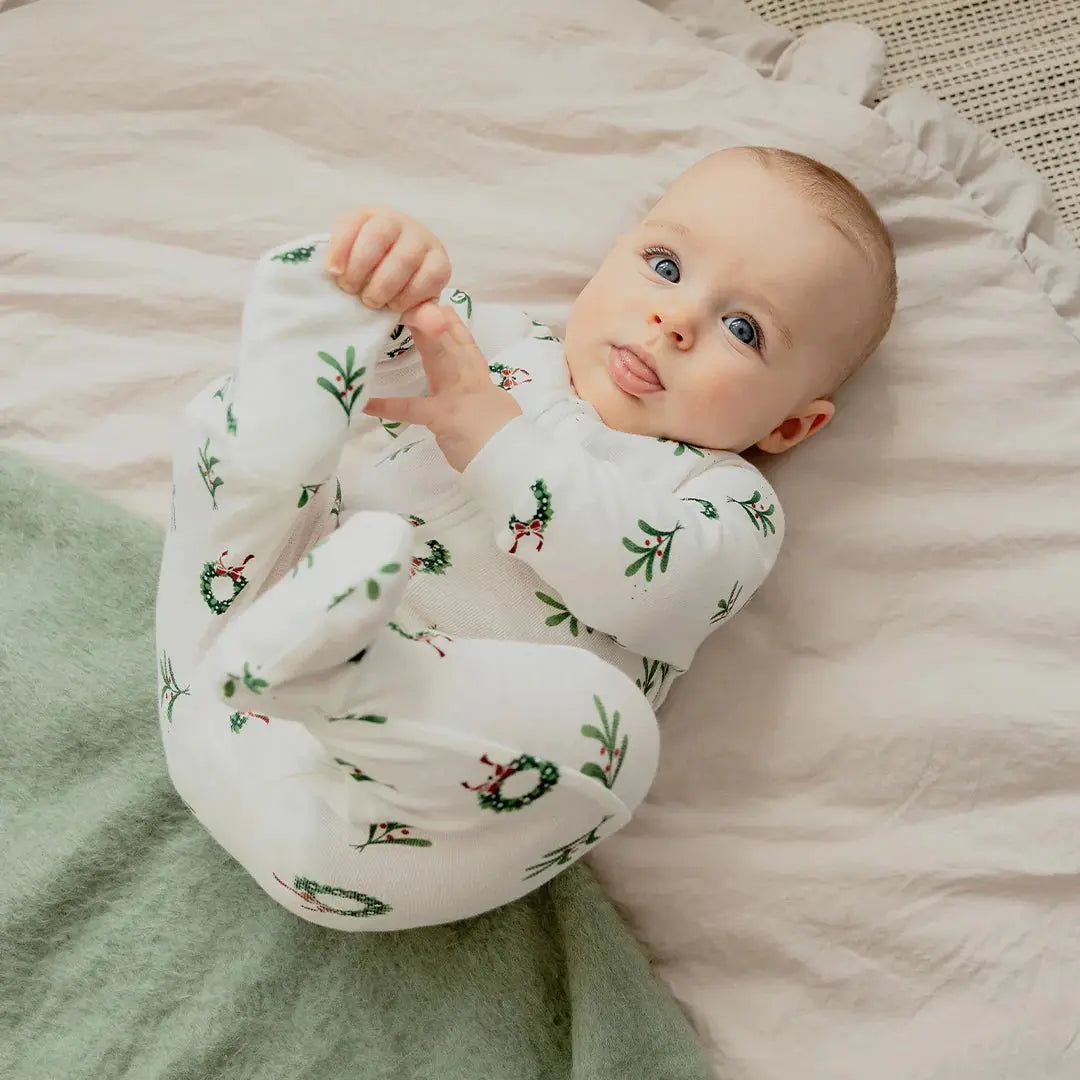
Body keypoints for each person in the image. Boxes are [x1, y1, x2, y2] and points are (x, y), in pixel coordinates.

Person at [155, 145, 897, 930]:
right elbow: (399, 347)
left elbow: (654, 584)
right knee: (267, 453)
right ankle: (278, 391)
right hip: (216, 682)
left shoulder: (729, 503)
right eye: (666, 267)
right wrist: (385, 275)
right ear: (611, 258)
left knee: (614, 737)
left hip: (371, 835)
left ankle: (351, 678)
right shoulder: (507, 349)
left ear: (791, 426)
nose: (676, 321)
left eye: (743, 329)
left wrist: (496, 443)